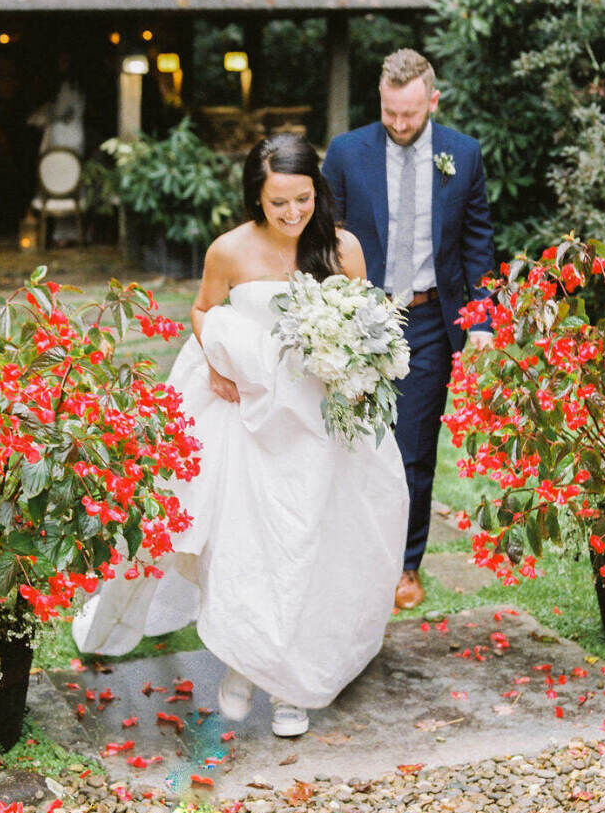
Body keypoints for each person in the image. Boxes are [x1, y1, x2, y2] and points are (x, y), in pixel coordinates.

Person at [73, 134, 409, 738]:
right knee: (248, 546)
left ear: (317, 192)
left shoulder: (342, 248)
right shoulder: (229, 250)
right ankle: (242, 661)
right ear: (257, 197)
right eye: (277, 203)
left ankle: (288, 689)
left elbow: (366, 321)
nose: (291, 215)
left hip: (322, 425)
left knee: (311, 548)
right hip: (248, 421)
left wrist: (358, 371)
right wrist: (218, 360)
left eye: (302, 200)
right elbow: (203, 310)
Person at [322, 49, 495, 611]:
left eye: (411, 115)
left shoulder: (463, 156)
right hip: (358, 317)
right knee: (346, 441)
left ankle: (404, 565)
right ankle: (348, 557)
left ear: (432, 101)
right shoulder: (347, 153)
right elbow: (327, 239)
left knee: (414, 450)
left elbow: (477, 244)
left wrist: (484, 321)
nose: (399, 125)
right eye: (390, 113)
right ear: (381, 99)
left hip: (425, 320)